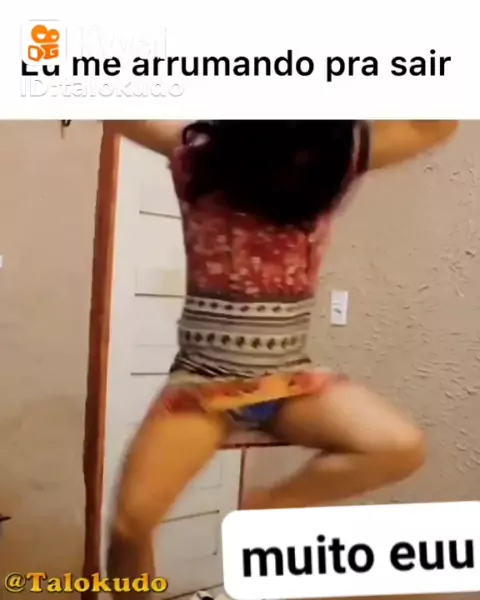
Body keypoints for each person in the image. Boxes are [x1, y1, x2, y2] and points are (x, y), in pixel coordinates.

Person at [105, 119, 458, 597]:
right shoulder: (199, 150)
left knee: (401, 447)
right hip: (204, 386)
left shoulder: (336, 155)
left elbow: (436, 124)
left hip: (289, 382)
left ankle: (266, 512)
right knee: (130, 524)